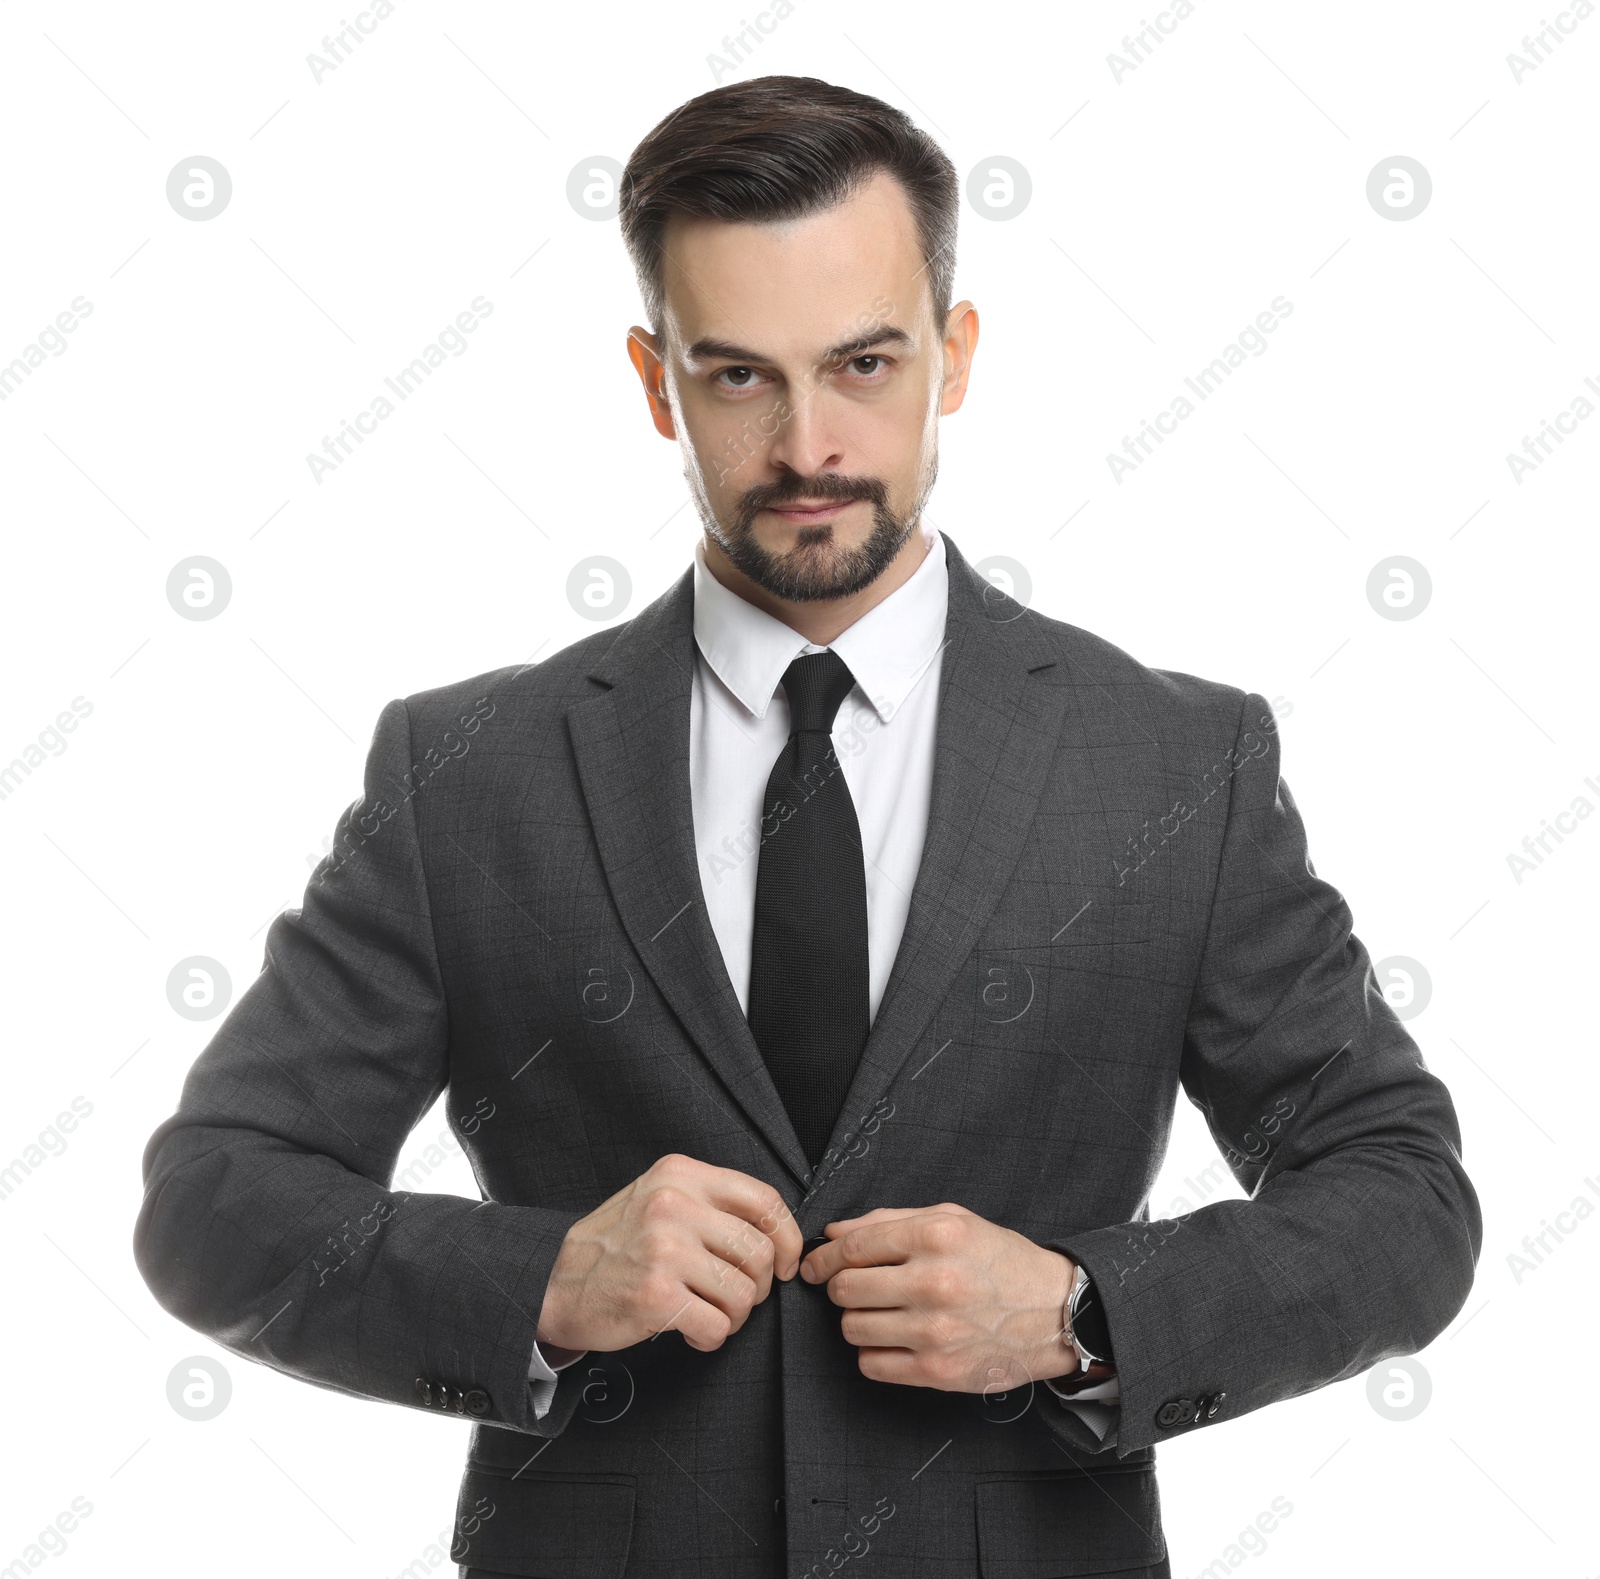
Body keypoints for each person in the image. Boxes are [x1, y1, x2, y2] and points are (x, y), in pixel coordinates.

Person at [134, 75, 1481, 1579]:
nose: (808, 445)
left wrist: (1084, 1311)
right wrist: (544, 1280)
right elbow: (216, 1201)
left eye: (862, 364)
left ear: (953, 357)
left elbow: (1404, 1200)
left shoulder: (1175, 761)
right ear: (656, 382)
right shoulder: (470, 769)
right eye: (737, 377)